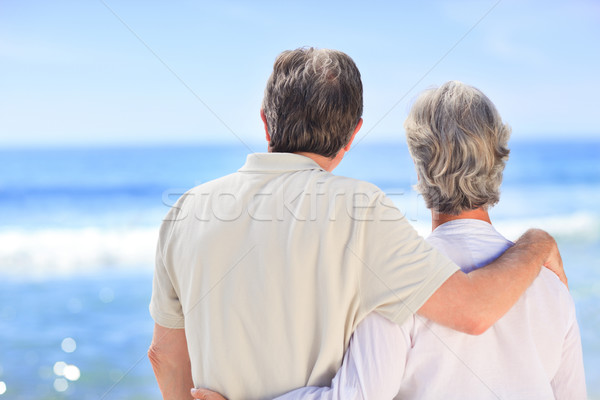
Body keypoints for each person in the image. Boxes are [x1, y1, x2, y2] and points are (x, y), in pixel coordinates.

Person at [148, 48, 565, 400]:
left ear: (264, 120)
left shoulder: (184, 211)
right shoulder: (361, 209)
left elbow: (164, 356)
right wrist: (538, 243)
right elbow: (473, 312)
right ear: (352, 135)